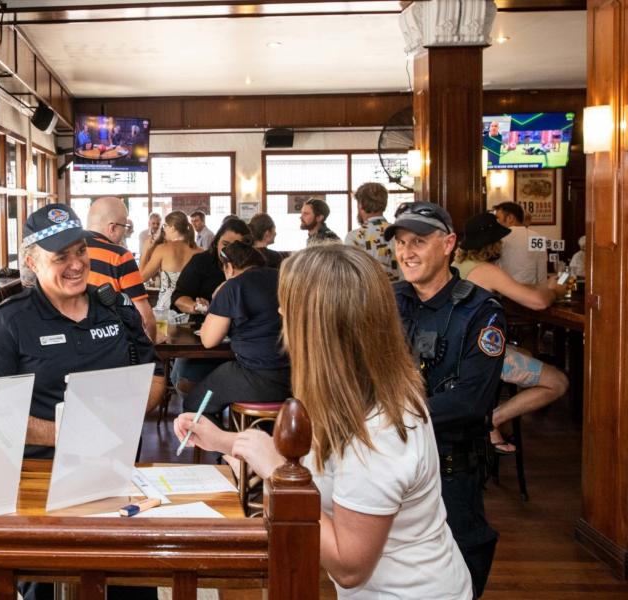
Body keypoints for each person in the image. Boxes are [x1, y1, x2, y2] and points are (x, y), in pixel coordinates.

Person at [175, 244, 472, 599]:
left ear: (319, 324)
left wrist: (276, 473)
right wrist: (225, 442)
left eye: (288, 305)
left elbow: (349, 567)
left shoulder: (378, 431)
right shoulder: (348, 394)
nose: (281, 312)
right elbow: (324, 476)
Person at [0, 203, 166, 459]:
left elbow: (154, 375)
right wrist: (67, 432)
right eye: (61, 257)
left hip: (116, 464)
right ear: (33, 263)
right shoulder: (10, 322)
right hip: (40, 471)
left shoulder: (116, 307)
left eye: (81, 251)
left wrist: (126, 419)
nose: (77, 265)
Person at [385, 202, 505, 598]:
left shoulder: (480, 311)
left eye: (418, 241)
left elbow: (470, 401)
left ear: (449, 243)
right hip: (391, 463)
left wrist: (386, 417)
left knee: (459, 577)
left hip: (451, 471)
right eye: (401, 243)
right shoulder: (388, 301)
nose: (406, 252)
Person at [453, 212, 569, 455]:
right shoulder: (485, 270)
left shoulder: (461, 265)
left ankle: (488, 417)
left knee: (525, 353)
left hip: (460, 351)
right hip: (478, 356)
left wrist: (544, 287)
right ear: (492, 244)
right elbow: (538, 302)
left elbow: (518, 289)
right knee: (558, 382)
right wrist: (555, 291)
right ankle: (490, 420)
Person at [183, 240, 290, 417]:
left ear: (229, 267)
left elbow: (208, 340)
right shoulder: (285, 278)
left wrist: (218, 295)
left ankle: (225, 443)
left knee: (194, 407)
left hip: (256, 376)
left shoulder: (233, 286)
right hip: (299, 375)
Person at [169, 218, 251, 394]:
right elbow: (178, 297)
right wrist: (196, 306)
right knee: (184, 381)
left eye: (235, 246)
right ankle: (201, 416)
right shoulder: (201, 262)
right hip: (203, 340)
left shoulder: (250, 268)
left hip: (242, 343)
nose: (228, 251)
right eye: (225, 244)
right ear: (216, 242)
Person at [84, 196, 155, 339]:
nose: (126, 232)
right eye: (126, 227)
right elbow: (145, 317)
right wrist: (152, 343)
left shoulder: (66, 250)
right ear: (113, 228)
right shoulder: (119, 256)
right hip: (111, 343)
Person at [139, 211, 201, 312]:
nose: (163, 230)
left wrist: (145, 250)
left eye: (164, 226)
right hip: (192, 310)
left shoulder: (162, 249)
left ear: (172, 227)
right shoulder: (201, 252)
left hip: (166, 310)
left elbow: (141, 278)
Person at [345, 182, 400, 281]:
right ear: (385, 204)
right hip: (403, 293)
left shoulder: (354, 237)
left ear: (360, 205)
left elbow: (350, 275)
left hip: (370, 294)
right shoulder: (400, 232)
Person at [493, 201, 548, 284]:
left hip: (505, 291)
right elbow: (542, 271)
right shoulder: (536, 237)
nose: (496, 222)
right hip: (531, 291)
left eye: (498, 218)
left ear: (510, 218)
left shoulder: (499, 237)